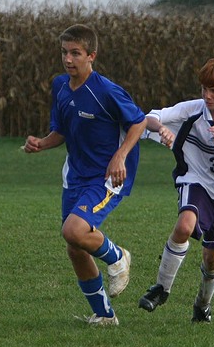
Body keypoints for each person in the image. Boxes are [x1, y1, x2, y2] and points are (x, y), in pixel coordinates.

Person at [24, 24, 146, 326]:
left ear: (91, 55)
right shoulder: (60, 86)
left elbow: (139, 123)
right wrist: (41, 143)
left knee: (74, 231)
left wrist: (120, 156)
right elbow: (62, 131)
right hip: (75, 177)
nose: (68, 59)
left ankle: (118, 256)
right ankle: (105, 316)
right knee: (75, 247)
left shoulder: (105, 90)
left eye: (76, 53)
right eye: (64, 52)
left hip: (106, 177)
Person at [138, 57, 214, 322]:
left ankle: (202, 304)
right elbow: (148, 118)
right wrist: (161, 128)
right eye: (204, 89)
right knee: (184, 225)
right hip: (195, 182)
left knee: (211, 256)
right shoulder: (193, 110)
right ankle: (161, 288)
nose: (207, 96)